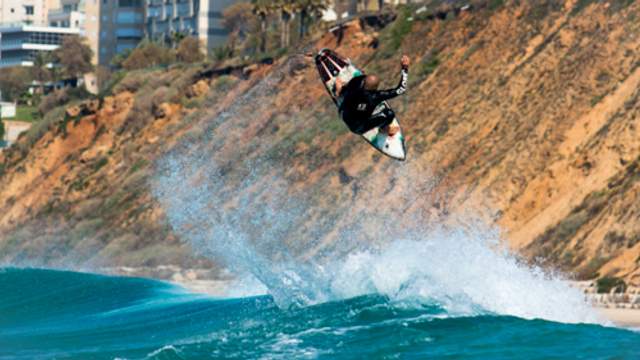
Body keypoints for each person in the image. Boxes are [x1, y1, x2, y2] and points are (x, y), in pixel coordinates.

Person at [335, 55, 410, 136]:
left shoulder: (356, 81)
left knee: (349, 89)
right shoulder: (376, 96)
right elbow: (401, 89)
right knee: (389, 113)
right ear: (375, 88)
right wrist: (405, 68)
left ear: (364, 81)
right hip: (357, 127)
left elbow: (362, 77)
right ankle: (384, 128)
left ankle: (340, 91)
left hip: (344, 114)